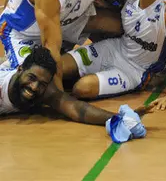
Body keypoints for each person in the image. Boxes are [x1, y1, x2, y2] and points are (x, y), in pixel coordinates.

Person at [1, 45, 147, 143]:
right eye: (31, 78)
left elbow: (77, 109)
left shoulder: (43, 90)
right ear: (20, 69)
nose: (34, 87)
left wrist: (118, 118)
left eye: (42, 83)